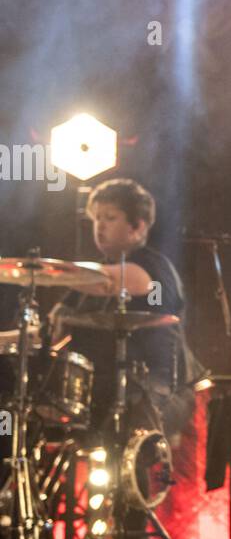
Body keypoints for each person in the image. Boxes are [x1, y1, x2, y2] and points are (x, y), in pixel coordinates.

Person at [49, 178, 191, 441]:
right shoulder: (85, 280)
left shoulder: (153, 266)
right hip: (100, 387)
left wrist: (48, 273)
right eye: (96, 218)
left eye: (110, 218)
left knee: (121, 436)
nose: (99, 226)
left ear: (137, 227)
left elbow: (113, 281)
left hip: (154, 390)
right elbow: (50, 334)